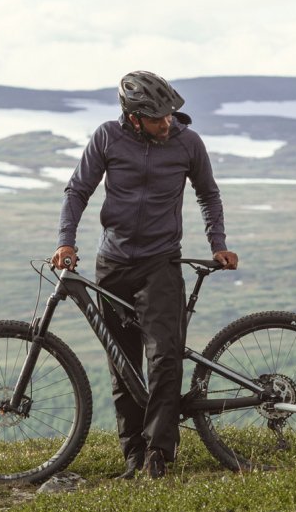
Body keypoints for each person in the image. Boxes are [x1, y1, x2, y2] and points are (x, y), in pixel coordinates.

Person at [51, 70, 238, 479]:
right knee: (123, 365)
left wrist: (217, 244)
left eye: (170, 114)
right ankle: (133, 456)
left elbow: (208, 194)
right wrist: (66, 240)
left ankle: (159, 455)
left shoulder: (187, 142)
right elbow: (77, 190)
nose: (166, 123)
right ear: (133, 117)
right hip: (113, 264)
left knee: (164, 358)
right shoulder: (107, 137)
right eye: (157, 118)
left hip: (161, 263)